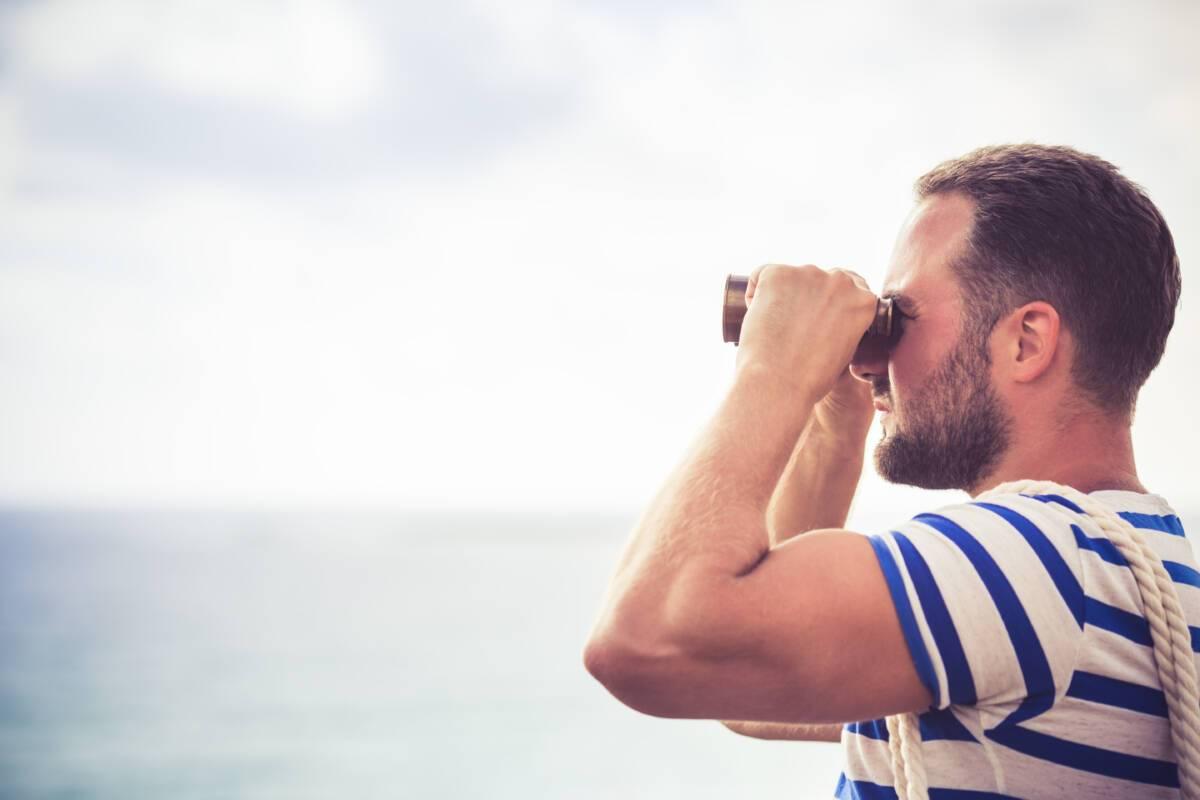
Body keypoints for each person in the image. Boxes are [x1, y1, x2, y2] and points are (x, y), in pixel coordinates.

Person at [583, 143, 1190, 798]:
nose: (874, 357)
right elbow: (746, 686)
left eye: (900, 316)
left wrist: (775, 370)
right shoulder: (1137, 565)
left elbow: (648, 641)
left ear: (1026, 342)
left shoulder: (1034, 559)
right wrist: (830, 421)